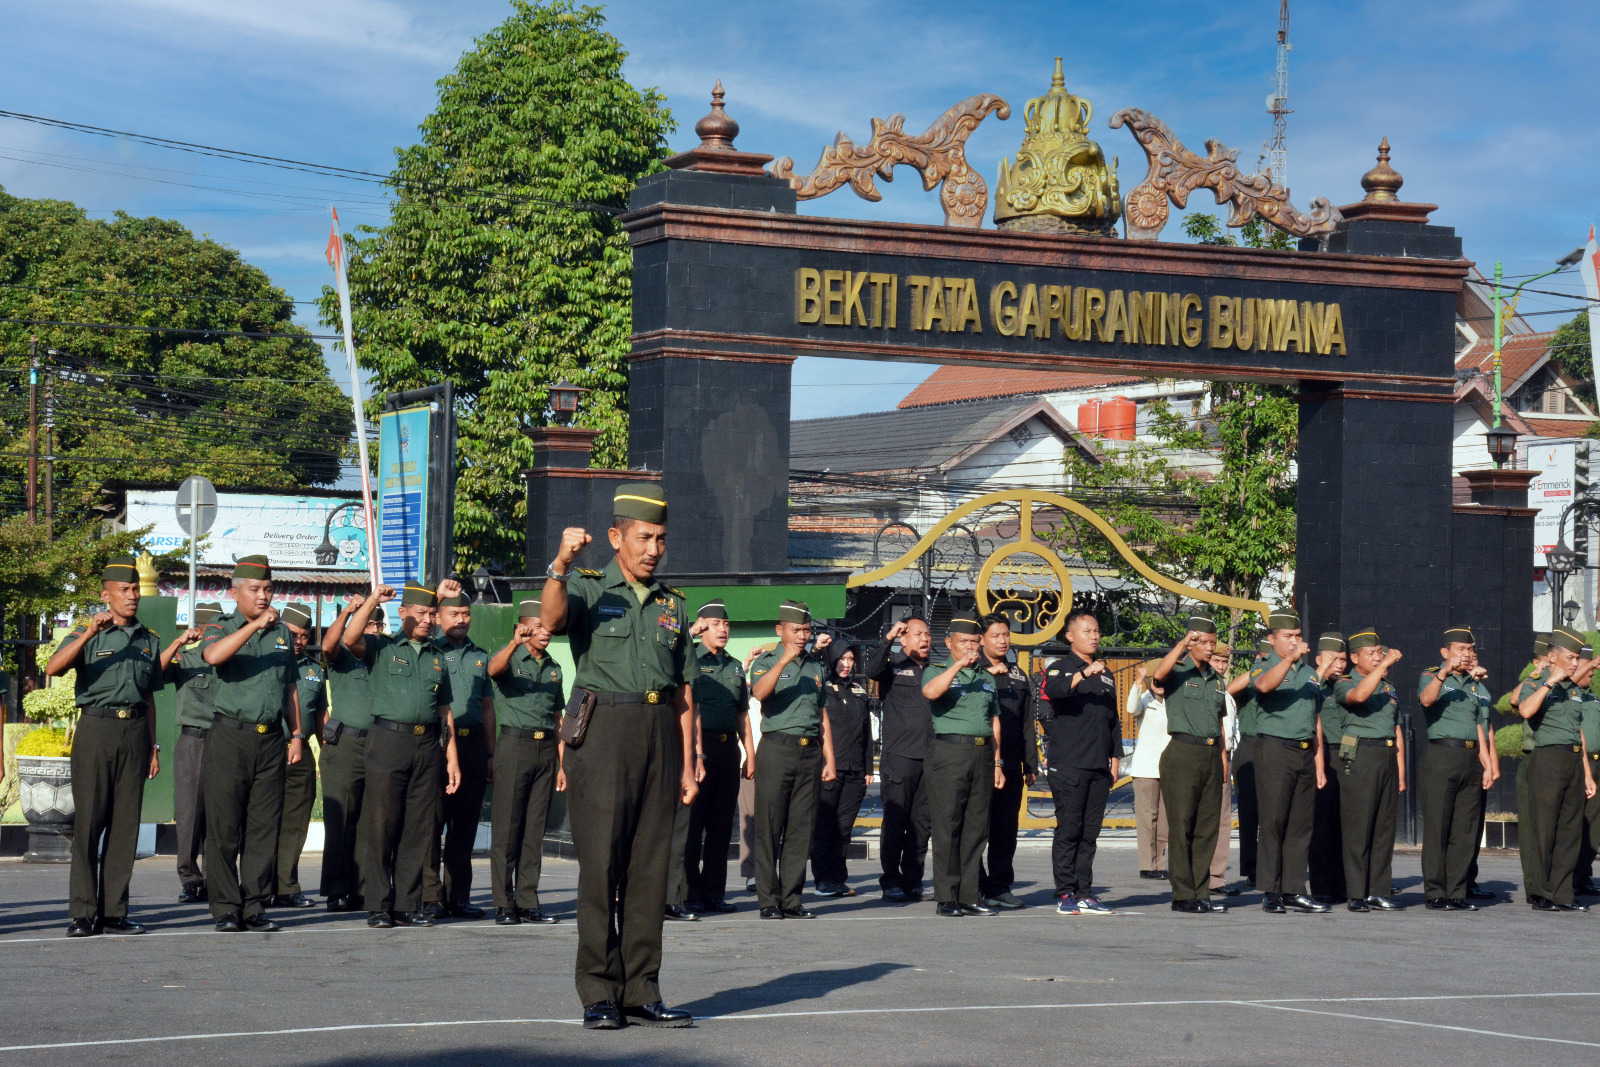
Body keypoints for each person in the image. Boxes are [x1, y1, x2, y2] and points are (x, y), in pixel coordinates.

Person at [541, 483, 697, 1030]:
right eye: (644, 538)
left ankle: (641, 989)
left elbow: (683, 691)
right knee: (601, 865)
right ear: (615, 537)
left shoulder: (674, 604)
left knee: (650, 869)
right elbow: (552, 620)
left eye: (661, 539)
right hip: (604, 731)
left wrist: (688, 762)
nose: (654, 549)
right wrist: (560, 564)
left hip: (659, 732)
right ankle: (598, 991)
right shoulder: (587, 587)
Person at [47, 556, 166, 937]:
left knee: (124, 826)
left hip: (135, 733)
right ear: (106, 596)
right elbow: (53, 668)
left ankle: (114, 912)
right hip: (96, 731)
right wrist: (88, 633)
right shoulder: (88, 632)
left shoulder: (149, 639)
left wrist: (153, 746)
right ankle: (82, 913)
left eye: (135, 589)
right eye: (124, 590)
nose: (132, 596)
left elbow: (149, 697)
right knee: (89, 824)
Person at [343, 579, 462, 929]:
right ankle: (379, 905)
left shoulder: (438, 657)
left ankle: (407, 905)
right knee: (382, 825)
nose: (427, 620)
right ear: (403, 613)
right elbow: (349, 639)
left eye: (431, 614)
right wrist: (371, 600)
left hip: (427, 745)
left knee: (419, 827)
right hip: (388, 741)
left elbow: (444, 711)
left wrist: (452, 758)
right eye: (420, 613)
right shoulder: (382, 647)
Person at [200, 555, 305, 933]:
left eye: (268, 589)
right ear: (235, 593)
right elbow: (213, 656)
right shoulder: (220, 627)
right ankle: (226, 907)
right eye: (255, 589)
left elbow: (290, 687)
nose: (263, 596)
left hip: (271, 739)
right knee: (225, 827)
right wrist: (255, 625)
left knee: (264, 827)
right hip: (230, 737)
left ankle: (254, 905)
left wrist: (297, 734)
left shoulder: (282, 635)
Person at [750, 602, 836, 919]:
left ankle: (791, 899)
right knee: (770, 827)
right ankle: (768, 900)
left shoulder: (815, 667)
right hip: (777, 749)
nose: (802, 636)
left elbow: (822, 715)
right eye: (796, 630)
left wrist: (829, 758)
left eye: (807, 630)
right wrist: (783, 660)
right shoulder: (765, 661)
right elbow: (759, 693)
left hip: (809, 752)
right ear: (780, 630)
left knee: (802, 829)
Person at [1250, 609, 1335, 914]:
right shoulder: (1263, 665)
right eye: (1288, 636)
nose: (1295, 641)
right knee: (1273, 821)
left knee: (1301, 823)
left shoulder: (1310, 673)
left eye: (1298, 636)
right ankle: (1271, 891)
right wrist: (1288, 659)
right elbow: (1263, 687)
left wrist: (1319, 762)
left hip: (1304, 751)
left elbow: (1315, 718)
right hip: (1275, 748)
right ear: (1272, 639)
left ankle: (1294, 889)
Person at [486, 598, 565, 925]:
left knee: (534, 830)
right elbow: (493, 670)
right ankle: (504, 904)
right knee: (507, 828)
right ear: (523, 627)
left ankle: (528, 902)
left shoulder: (554, 667)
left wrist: (562, 765)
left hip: (545, 750)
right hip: (514, 746)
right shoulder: (511, 657)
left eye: (549, 628)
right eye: (539, 627)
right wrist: (513, 643)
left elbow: (558, 719)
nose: (546, 633)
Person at [922, 612, 1005, 917]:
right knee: (947, 826)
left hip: (982, 755)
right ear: (949, 643)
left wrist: (997, 762)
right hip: (950, 753)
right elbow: (930, 692)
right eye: (963, 642)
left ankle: (969, 895)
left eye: (974, 641)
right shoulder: (936, 670)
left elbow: (994, 721)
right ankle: (946, 896)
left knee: (976, 828)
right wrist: (958, 665)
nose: (970, 647)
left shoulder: (986, 678)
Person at [1041, 610, 1120, 916]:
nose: (1094, 636)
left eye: (1096, 631)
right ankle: (1065, 892)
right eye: (1087, 631)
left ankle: (1084, 892)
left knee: (1090, 833)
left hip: (1098, 765)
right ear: (1070, 636)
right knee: (1069, 829)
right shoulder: (1059, 669)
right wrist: (1084, 674)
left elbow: (1113, 721)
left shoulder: (1106, 674)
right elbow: (1055, 692)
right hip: (1069, 764)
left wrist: (1115, 759)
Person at [1514, 625, 1597, 912]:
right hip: (1547, 759)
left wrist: (1587, 773)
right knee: (1544, 829)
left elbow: (1578, 733)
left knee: (1569, 830)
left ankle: (1563, 894)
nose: (1576, 663)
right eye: (1571, 658)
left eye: (1577, 658)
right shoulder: (1536, 682)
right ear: (1552, 657)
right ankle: (1540, 892)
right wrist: (1550, 682)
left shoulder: (1574, 690)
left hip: (1573, 760)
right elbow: (1525, 710)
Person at [1150, 616, 1227, 914]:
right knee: (1182, 826)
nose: (1209, 648)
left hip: (1210, 754)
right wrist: (1182, 644)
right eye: (1203, 642)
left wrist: (1222, 759)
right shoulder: (1178, 671)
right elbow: (1159, 675)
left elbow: (1219, 723)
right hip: (1182, 752)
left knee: (1207, 828)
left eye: (1212, 642)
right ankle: (1183, 894)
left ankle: (1201, 892)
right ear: (1192, 642)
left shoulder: (1217, 680)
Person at [426, 589, 494, 920]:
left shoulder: (480, 656)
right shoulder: (430, 651)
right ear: (438, 617)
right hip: (438, 746)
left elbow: (488, 708)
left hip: (473, 746)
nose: (461, 619)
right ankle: (431, 897)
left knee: (464, 825)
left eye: (466, 613)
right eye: (454, 614)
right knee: (431, 822)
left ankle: (458, 897)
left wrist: (490, 754)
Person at [1418, 626, 1496, 911]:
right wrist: (1443, 673)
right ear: (1445, 652)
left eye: (1470, 650)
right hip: (1442, 755)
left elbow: (1479, 727)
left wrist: (1487, 765)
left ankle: (1457, 892)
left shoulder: (1473, 685)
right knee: (1438, 827)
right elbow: (1426, 700)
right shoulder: (1431, 676)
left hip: (1471, 757)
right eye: (1461, 649)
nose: (1466, 654)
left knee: (1465, 829)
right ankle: (1436, 893)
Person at [683, 602, 753, 913]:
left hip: (727, 750)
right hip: (700, 749)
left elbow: (742, 714)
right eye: (715, 624)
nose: (723, 629)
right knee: (693, 825)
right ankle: (690, 894)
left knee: (721, 826)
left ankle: (714, 893)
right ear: (702, 628)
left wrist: (749, 754)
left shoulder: (735, 666)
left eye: (726, 624)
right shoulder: (690, 660)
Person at [1332, 630, 1406, 912]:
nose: (1377, 658)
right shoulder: (1345, 682)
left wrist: (1400, 771)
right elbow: (1360, 696)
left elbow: (1396, 728)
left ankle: (1378, 890)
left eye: (1379, 653)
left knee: (1383, 828)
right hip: (1361, 754)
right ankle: (1356, 893)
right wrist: (1385, 664)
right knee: (1358, 827)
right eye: (1371, 653)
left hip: (1386, 754)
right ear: (1354, 658)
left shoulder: (1388, 687)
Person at [866, 615, 934, 903]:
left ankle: (913, 880)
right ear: (904, 638)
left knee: (922, 824)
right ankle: (891, 880)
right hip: (899, 758)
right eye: (918, 634)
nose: (925, 639)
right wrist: (888, 638)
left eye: (927, 634)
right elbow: (871, 669)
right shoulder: (892, 666)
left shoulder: (936, 670)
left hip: (930, 759)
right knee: (895, 823)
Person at [320, 595, 378, 912]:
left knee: (370, 820)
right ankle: (336, 888)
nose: (372, 629)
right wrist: (347, 613)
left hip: (378, 744)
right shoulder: (342, 656)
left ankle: (363, 888)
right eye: (367, 623)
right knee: (340, 819)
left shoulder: (382, 658)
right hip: (345, 744)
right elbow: (328, 645)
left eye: (377, 624)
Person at [978, 615, 1036, 910]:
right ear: (981, 639)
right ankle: (973, 887)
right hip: (979, 763)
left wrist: (1031, 763)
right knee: (976, 830)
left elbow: (1027, 722)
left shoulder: (1018, 675)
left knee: (1005, 831)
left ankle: (1000, 887)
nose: (1002, 641)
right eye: (996, 635)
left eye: (1006, 635)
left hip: (1012, 764)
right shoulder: (971, 671)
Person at [271, 603, 324, 910]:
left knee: (296, 823)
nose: (299, 641)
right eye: (293, 634)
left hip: (301, 752)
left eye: (304, 635)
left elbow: (320, 716)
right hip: (268, 748)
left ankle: (286, 886)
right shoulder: (268, 659)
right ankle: (258, 886)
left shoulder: (315, 670)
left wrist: (326, 754)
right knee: (263, 822)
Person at [170, 601, 223, 905]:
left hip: (223, 739)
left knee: (221, 814)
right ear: (201, 630)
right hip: (193, 740)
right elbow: (154, 673)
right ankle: (190, 879)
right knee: (189, 813)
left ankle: (216, 878)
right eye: (211, 628)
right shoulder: (185, 659)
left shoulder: (229, 660)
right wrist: (178, 642)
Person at [812, 637, 871, 899]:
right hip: (829, 768)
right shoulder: (822, 687)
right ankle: (823, 879)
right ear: (832, 660)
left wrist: (868, 769)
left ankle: (838, 878)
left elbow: (866, 732)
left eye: (850, 659)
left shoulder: (859, 691)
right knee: (825, 826)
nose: (846, 664)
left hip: (855, 770)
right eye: (842, 659)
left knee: (844, 829)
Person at [1308, 633, 1349, 903]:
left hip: (1347, 755)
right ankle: (1321, 886)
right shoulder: (1312, 683)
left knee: (1344, 825)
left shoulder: (1346, 685)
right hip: (1323, 754)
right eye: (1333, 659)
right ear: (1319, 659)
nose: (1339, 664)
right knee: (1322, 824)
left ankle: (1342, 884)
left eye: (1343, 659)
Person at [1512, 634, 1552, 905]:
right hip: (1535, 756)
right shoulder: (1534, 681)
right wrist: (1535, 675)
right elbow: (1515, 701)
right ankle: (1535, 887)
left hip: (1560, 760)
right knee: (1532, 830)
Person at [1231, 639, 1271, 888]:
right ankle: (1251, 867)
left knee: (1272, 813)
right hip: (1249, 745)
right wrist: (1257, 669)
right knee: (1249, 812)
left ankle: (1269, 865)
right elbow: (1228, 689)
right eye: (1265, 658)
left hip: (1274, 746)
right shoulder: (1249, 681)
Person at [1127, 660, 1170, 882]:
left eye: (1163, 680)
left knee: (1164, 821)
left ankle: (1160, 865)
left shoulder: (1174, 702)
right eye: (1155, 681)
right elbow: (1131, 708)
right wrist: (1138, 682)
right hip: (1146, 768)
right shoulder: (1144, 700)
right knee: (1147, 819)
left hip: (1169, 768)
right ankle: (1147, 865)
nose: (1160, 685)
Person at [1207, 644, 1242, 897]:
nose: (1221, 666)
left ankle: (1216, 878)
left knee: (1222, 821)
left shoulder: (1225, 692)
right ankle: (1197, 878)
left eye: (1224, 662)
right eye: (1216, 661)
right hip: (1206, 753)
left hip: (1225, 756)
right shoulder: (1204, 688)